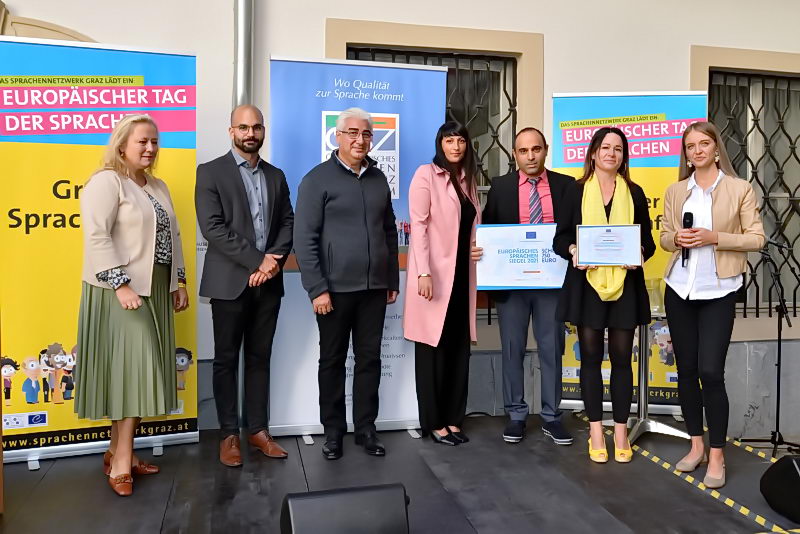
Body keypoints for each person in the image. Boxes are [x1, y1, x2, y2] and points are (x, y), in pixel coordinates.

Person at [77, 114, 189, 496]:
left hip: (155, 285)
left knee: (137, 372)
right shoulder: (106, 181)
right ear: (122, 145)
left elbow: (173, 237)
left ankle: (116, 451)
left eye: (155, 141)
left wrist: (178, 282)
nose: (151, 148)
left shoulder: (158, 185)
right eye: (143, 141)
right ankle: (122, 462)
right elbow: (96, 236)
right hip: (118, 290)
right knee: (135, 370)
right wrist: (121, 284)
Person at [660, 121, 764, 489]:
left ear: (716, 148)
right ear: (686, 154)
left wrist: (714, 237)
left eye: (704, 143)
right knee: (686, 371)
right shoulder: (676, 191)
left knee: (711, 372)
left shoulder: (739, 188)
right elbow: (664, 237)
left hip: (719, 291)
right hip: (680, 290)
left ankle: (717, 454)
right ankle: (696, 446)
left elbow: (757, 239)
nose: (697, 151)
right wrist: (677, 238)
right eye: (690, 146)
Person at [294, 107, 399, 460]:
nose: (360, 139)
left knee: (369, 360)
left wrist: (390, 278)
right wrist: (317, 288)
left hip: (373, 289)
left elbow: (389, 231)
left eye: (366, 134)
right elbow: (304, 239)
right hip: (333, 291)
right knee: (332, 361)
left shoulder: (378, 178)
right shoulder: (316, 180)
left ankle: (366, 429)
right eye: (352, 133)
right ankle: (333, 432)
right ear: (337, 136)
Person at [196, 104, 294, 467]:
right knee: (225, 360)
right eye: (243, 127)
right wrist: (257, 260)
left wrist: (272, 262)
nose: (250, 133)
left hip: (268, 284)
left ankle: (258, 430)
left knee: (259, 359)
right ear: (231, 131)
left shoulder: (276, 175)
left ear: (263, 130)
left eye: (256, 127)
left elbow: (288, 221)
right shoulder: (210, 172)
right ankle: (228, 435)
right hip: (229, 284)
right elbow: (213, 228)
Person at [553, 127, 655, 464]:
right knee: (591, 359)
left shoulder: (635, 193)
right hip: (587, 286)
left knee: (623, 360)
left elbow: (648, 242)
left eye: (618, 149)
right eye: (606, 147)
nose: (611, 153)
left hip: (626, 285)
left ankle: (621, 432)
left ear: (624, 156)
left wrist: (639, 252)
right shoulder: (575, 191)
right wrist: (573, 251)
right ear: (594, 152)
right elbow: (560, 239)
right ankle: (596, 432)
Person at [481, 127, 575, 445]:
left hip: (552, 283)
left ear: (545, 149)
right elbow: (489, 231)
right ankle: (516, 415)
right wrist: (481, 249)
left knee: (552, 349)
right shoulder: (501, 187)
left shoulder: (566, 186)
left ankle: (551, 417)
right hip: (512, 285)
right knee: (512, 349)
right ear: (514, 154)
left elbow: (574, 229)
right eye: (523, 151)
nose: (530, 156)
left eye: (536, 149)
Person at [403, 121, 481, 446]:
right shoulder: (426, 175)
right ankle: (435, 423)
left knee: (458, 349)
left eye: (460, 140)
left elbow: (469, 227)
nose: (455, 146)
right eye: (449, 140)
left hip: (463, 276)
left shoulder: (468, 180)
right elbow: (419, 226)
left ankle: (453, 419)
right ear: (440, 144)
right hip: (434, 277)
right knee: (432, 350)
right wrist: (423, 272)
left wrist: (476, 247)